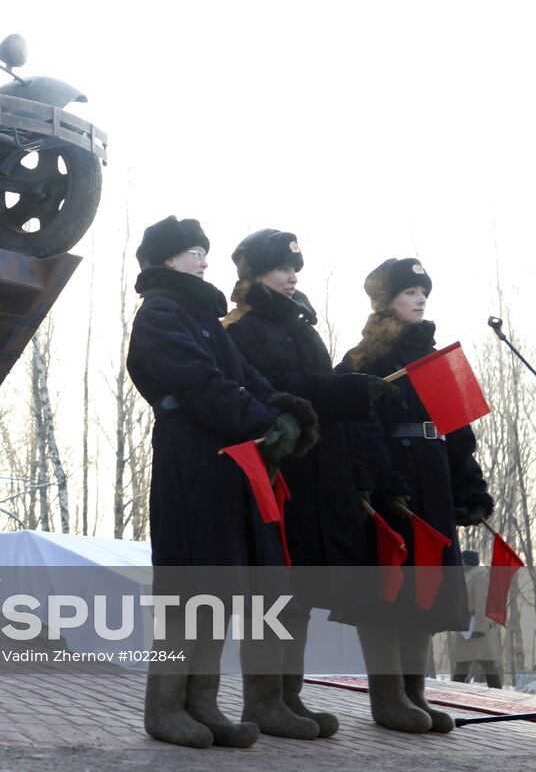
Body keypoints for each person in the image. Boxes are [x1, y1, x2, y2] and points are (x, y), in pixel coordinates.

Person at [127, 216, 318, 749]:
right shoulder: (161, 313)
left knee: (215, 586)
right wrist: (262, 421)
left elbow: (244, 376)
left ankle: (203, 705)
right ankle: (164, 708)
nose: (204, 260)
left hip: (220, 460)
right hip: (189, 457)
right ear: (167, 260)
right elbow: (198, 382)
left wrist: (284, 410)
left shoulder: (201, 315)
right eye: (194, 251)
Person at [223, 229, 394, 739]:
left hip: (317, 470)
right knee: (273, 589)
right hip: (277, 472)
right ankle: (263, 700)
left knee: (298, 588)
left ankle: (288, 696)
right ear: (253, 274)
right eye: (280, 267)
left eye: (294, 267)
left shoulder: (301, 327)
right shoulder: (242, 329)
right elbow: (269, 392)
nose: (292, 274)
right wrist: (344, 391)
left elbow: (311, 389)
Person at [338, 258, 494, 734]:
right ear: (386, 302)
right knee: (391, 587)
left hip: (433, 478)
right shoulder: (362, 359)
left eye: (423, 290)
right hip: (390, 484)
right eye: (408, 291)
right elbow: (354, 431)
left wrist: (470, 488)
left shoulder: (441, 358)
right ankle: (388, 698)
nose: (420, 298)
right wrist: (380, 481)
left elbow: (459, 433)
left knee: (426, 587)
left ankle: (414, 693)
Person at [449, 550, 503, 687]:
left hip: (477, 626)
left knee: (488, 665)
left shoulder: (479, 576)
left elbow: (482, 603)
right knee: (462, 664)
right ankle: (454, 695)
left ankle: (498, 696)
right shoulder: (467, 575)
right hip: (467, 625)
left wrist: (480, 628)